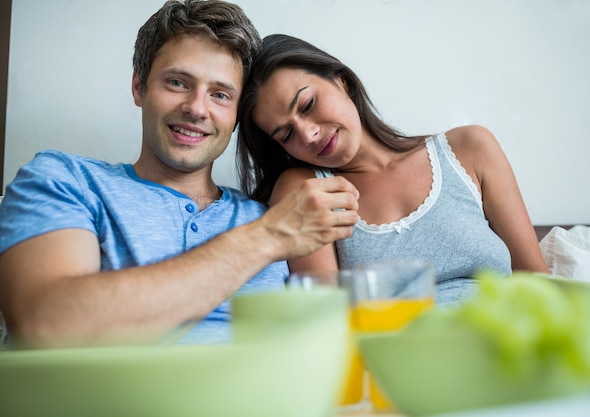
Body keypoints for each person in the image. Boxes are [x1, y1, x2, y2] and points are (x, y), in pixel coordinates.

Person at [0, 1, 359, 350]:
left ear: (236, 116)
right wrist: (265, 239)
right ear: (139, 87)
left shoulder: (271, 218)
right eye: (177, 83)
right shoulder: (66, 181)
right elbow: (45, 324)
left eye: (220, 94)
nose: (196, 108)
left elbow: (328, 349)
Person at [236, 34, 549, 305]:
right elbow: (328, 323)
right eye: (286, 135)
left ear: (339, 79)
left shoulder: (470, 148)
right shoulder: (306, 189)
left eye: (307, 105)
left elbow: (538, 283)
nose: (308, 134)